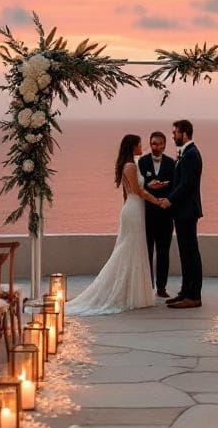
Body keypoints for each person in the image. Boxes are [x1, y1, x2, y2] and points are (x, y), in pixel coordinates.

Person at [65, 134, 170, 316]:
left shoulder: (131, 165)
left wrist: (151, 187)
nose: (141, 147)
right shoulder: (129, 166)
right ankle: (123, 291)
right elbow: (138, 191)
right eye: (139, 144)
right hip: (134, 210)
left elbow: (132, 190)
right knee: (127, 249)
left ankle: (135, 293)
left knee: (135, 249)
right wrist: (158, 201)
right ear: (132, 147)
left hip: (135, 210)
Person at [165, 119, 203, 309]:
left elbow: (186, 185)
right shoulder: (186, 153)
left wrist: (169, 199)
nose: (173, 136)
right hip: (182, 211)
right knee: (184, 252)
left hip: (187, 211)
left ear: (184, 133)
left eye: (175, 133)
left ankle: (194, 295)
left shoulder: (191, 155)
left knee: (190, 253)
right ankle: (184, 291)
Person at [139, 130, 175, 298]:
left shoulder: (171, 163)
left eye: (160, 144)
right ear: (150, 144)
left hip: (165, 215)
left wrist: (163, 189)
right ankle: (147, 286)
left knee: (163, 252)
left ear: (165, 145)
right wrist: (149, 186)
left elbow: (175, 186)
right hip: (146, 214)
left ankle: (161, 287)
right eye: (154, 143)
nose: (157, 147)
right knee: (146, 251)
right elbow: (137, 185)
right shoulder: (142, 162)